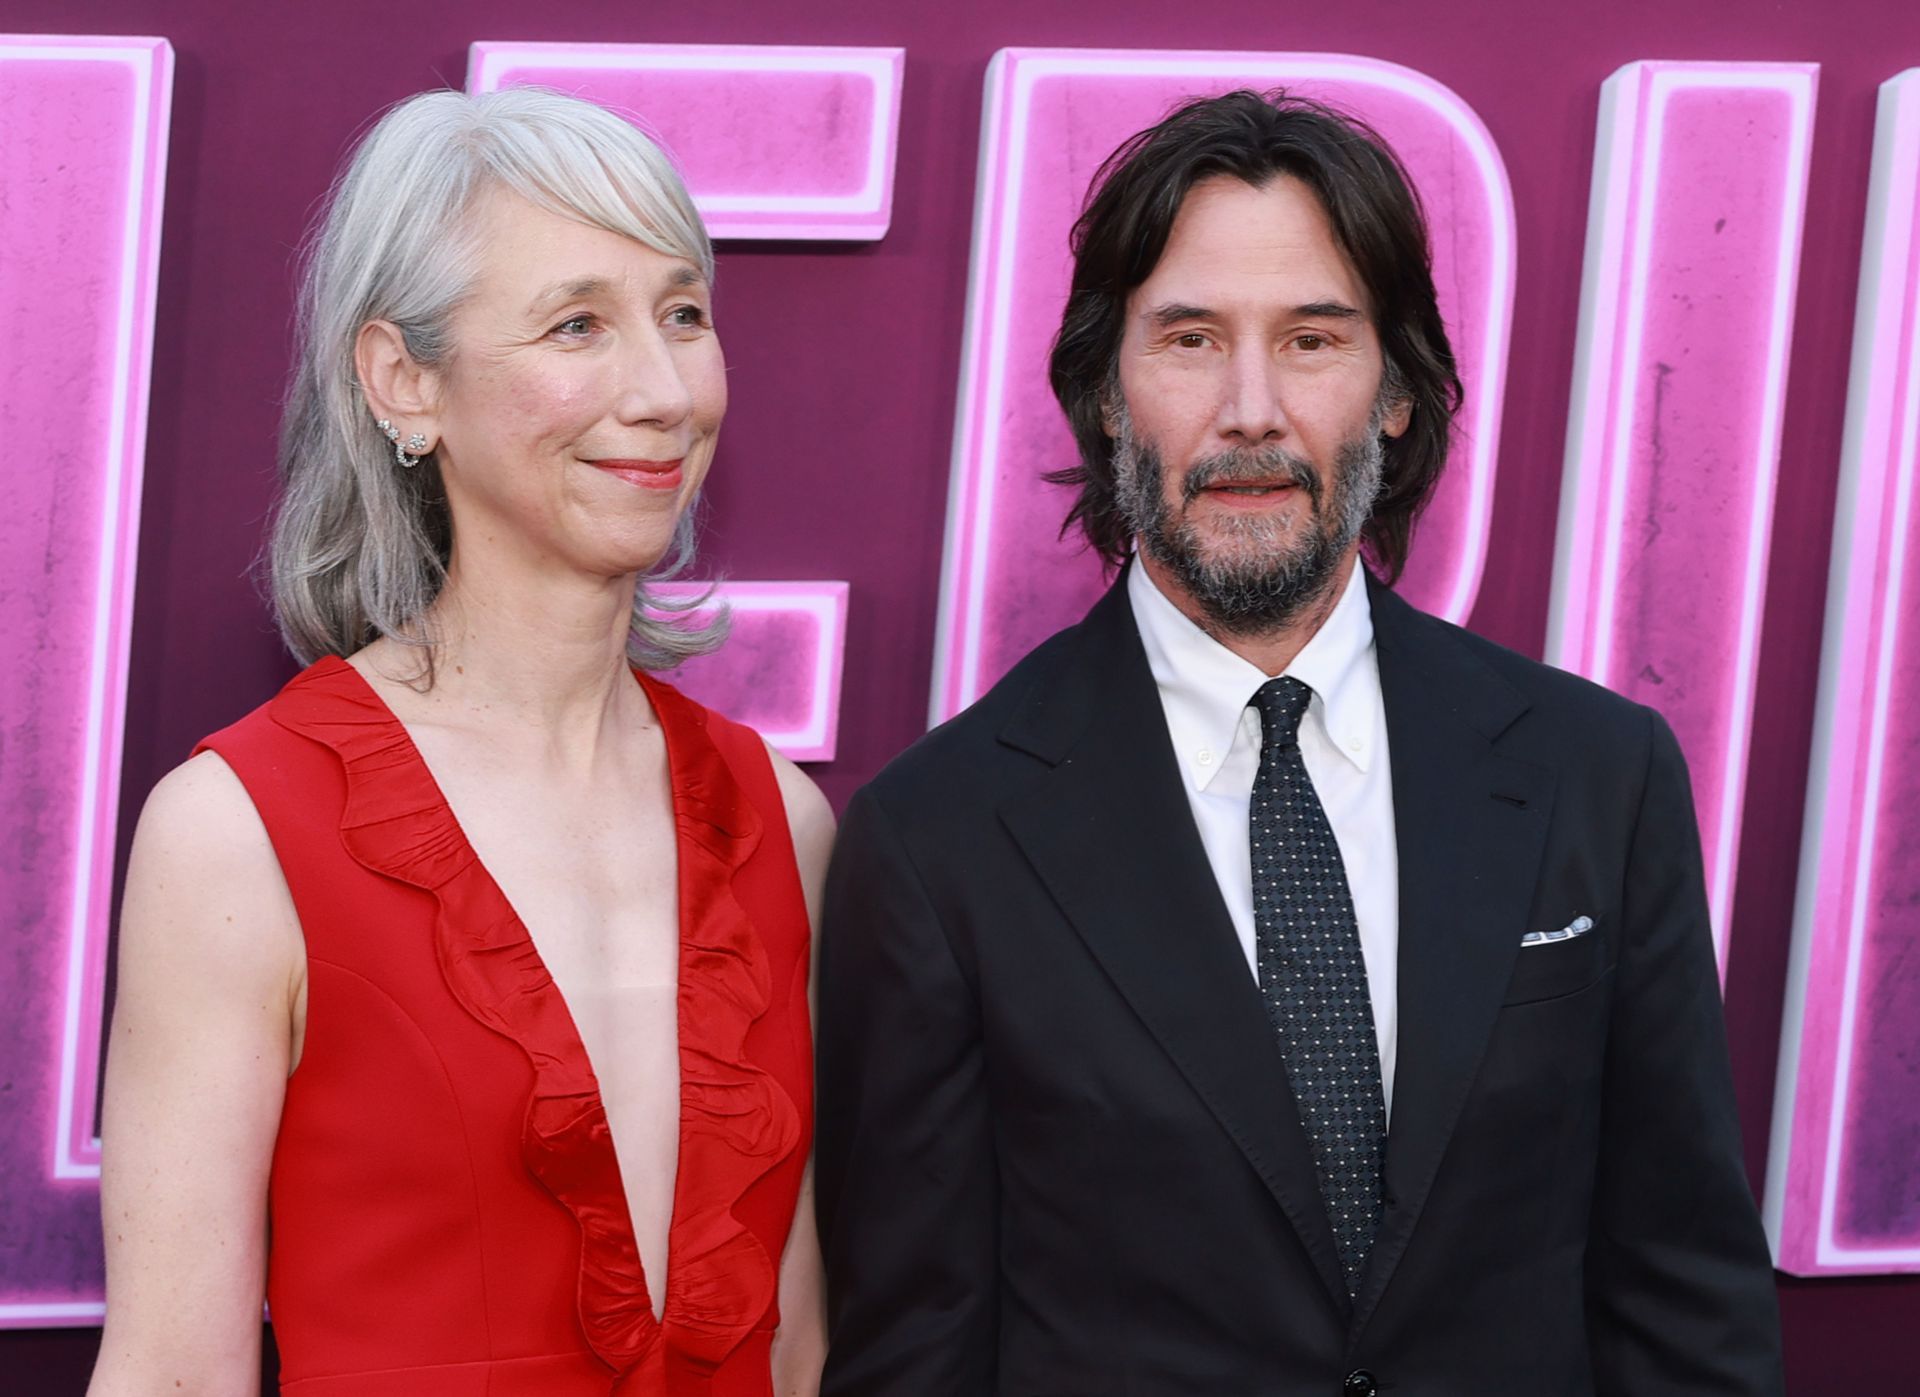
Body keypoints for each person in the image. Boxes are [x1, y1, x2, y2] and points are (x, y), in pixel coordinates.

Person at [814, 90, 1782, 1394]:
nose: (1252, 409)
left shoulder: (1598, 776)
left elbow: (1687, 1299)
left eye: (1313, 340)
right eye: (1191, 340)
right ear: (1107, 396)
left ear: (1396, 393)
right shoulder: (937, 840)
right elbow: (917, 1352)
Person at [88, 88, 830, 1397]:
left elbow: (803, 1343)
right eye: (577, 323)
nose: (663, 392)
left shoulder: (782, 819)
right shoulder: (239, 833)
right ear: (403, 381)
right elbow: (172, 1372)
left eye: (683, 314)